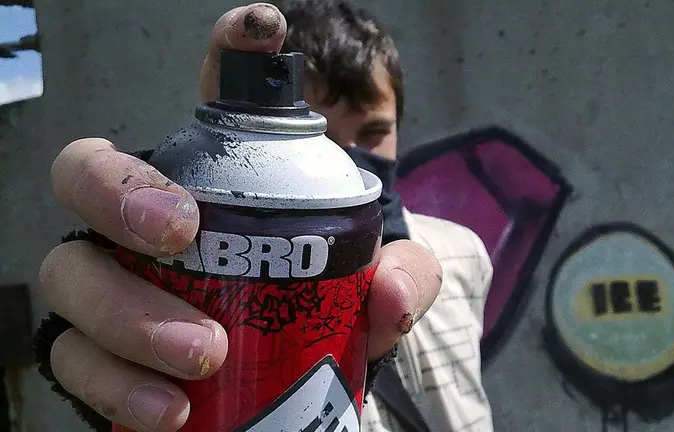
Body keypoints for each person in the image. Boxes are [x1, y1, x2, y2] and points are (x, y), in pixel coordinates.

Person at [33, 1, 495, 431]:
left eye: (374, 131)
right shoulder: (219, 220)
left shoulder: (465, 253)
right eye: (321, 134)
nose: (350, 154)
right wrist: (148, 272)